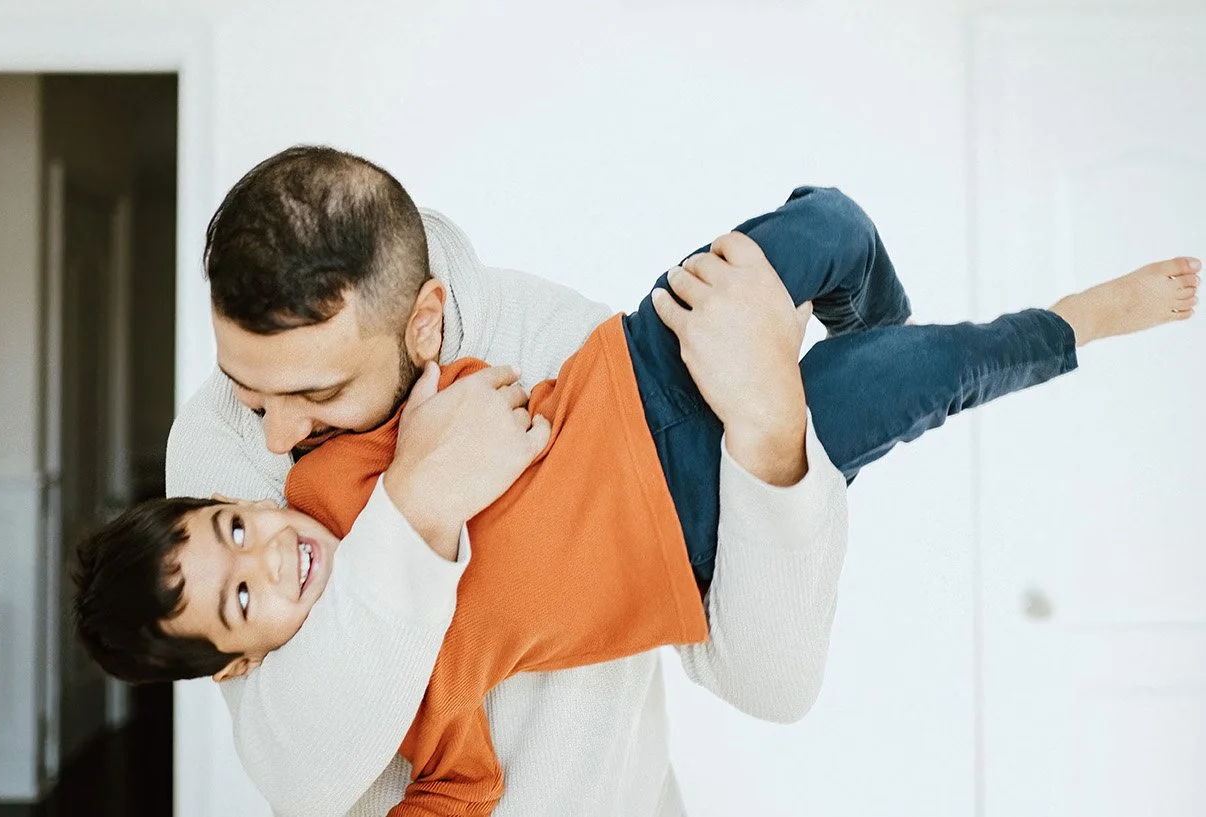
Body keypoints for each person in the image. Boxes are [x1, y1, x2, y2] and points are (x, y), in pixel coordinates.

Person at [76, 147, 1199, 815]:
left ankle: (855, 344)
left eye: (307, 397)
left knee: (830, 227)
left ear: (420, 326)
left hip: (642, 365)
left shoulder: (304, 487)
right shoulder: (231, 451)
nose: (268, 433)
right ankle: (1069, 323)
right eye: (242, 384)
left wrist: (764, 410)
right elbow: (337, 775)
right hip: (689, 527)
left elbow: (765, 677)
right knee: (926, 375)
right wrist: (420, 506)